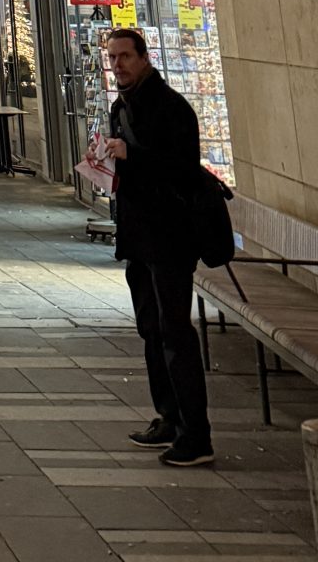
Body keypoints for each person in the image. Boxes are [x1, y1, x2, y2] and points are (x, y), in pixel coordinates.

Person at [104, 27, 214, 467]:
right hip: (138, 236)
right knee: (151, 329)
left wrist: (132, 157)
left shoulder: (171, 108)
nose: (119, 65)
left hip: (170, 237)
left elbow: (185, 169)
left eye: (126, 56)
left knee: (175, 334)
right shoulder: (120, 107)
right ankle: (167, 416)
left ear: (144, 57)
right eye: (113, 58)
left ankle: (197, 435)